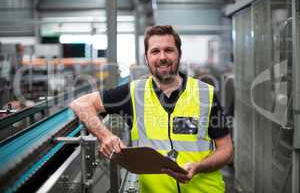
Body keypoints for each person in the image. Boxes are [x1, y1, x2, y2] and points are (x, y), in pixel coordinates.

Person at [70, 25, 233, 193]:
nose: (162, 57)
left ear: (179, 54)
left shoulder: (204, 93)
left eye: (169, 50)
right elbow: (80, 104)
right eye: (155, 51)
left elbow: (226, 149)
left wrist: (198, 167)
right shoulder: (132, 93)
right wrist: (106, 136)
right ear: (146, 58)